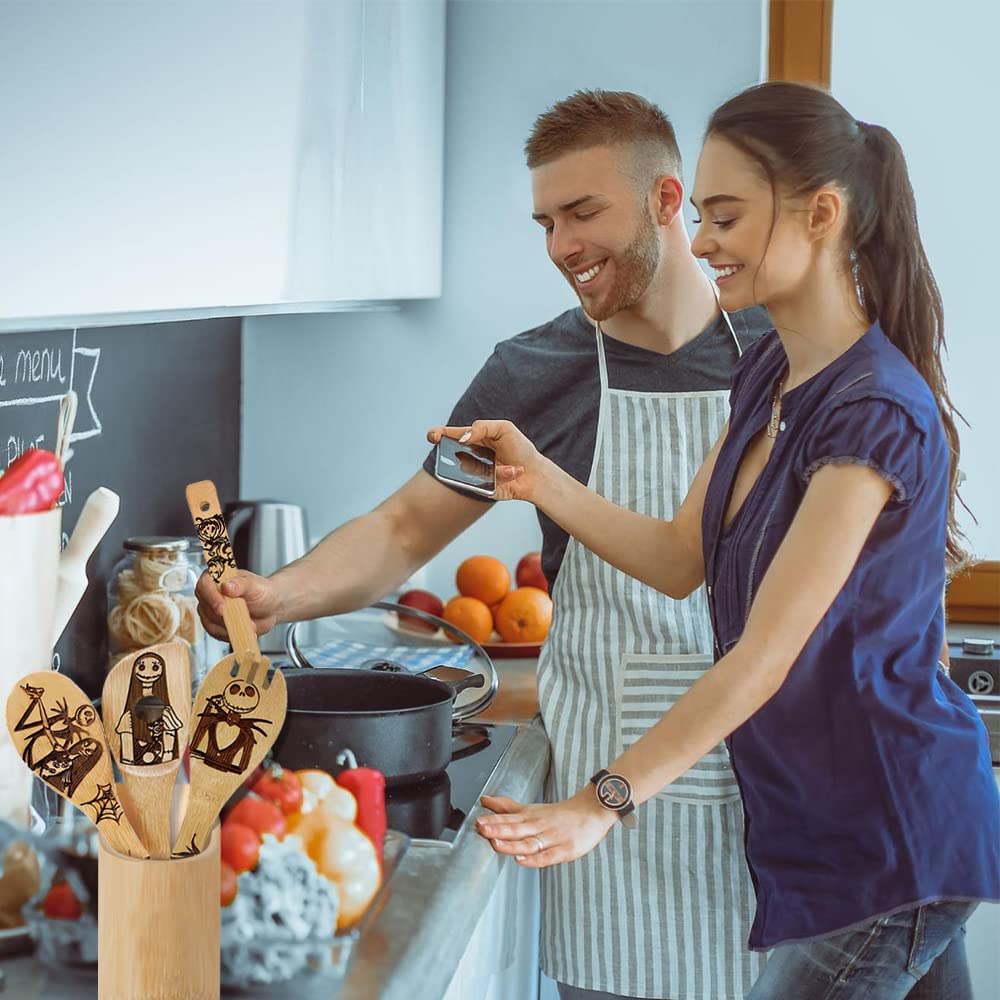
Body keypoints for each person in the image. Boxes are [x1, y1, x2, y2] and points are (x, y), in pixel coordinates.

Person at [197, 90, 773, 999]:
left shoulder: (780, 355)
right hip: (600, 811)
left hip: (767, 798)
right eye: (546, 221)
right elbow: (404, 527)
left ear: (669, 200)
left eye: (584, 213)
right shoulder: (532, 372)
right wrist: (283, 594)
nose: (560, 247)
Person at [431, 81, 1000, 999]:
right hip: (835, 831)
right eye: (699, 214)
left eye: (726, 217)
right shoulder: (774, 368)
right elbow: (678, 557)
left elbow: (761, 659)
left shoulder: (872, 414)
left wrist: (597, 803)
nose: (699, 242)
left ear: (822, 214)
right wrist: (540, 480)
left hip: (889, 833)